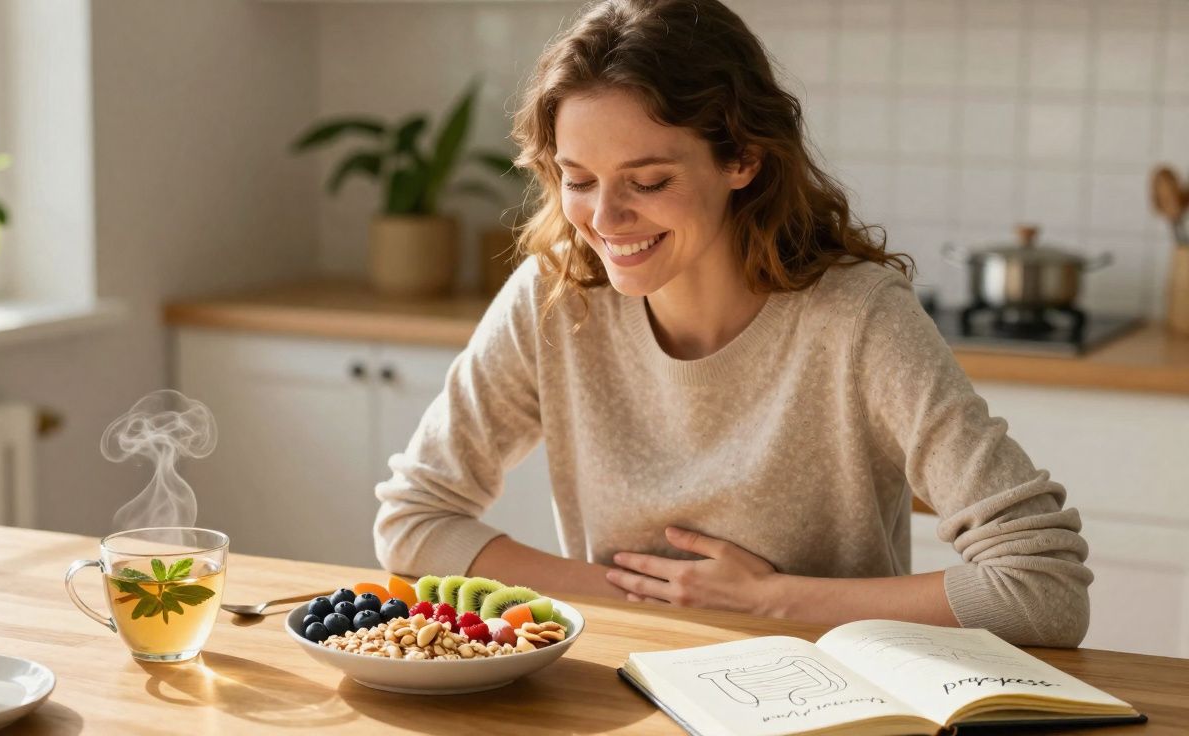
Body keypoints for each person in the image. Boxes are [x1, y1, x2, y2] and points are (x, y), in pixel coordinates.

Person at [373, 0, 1091, 647]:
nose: (603, 219)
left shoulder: (857, 319)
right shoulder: (557, 297)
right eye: (578, 180)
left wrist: (771, 601)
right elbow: (414, 521)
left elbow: (1043, 587)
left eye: (649, 182)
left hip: (827, 700)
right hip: (622, 683)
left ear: (743, 157)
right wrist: (647, 597)